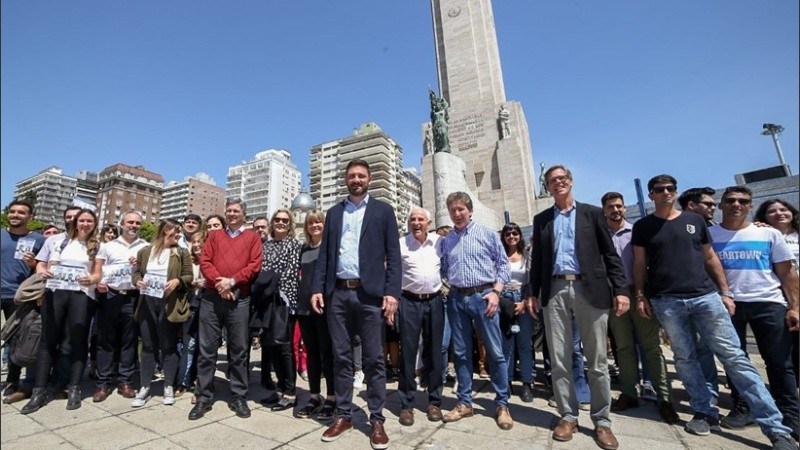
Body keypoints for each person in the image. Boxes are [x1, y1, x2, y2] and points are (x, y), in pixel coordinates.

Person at [632, 174, 796, 449]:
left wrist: (725, 291)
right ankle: (704, 411)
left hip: (705, 297)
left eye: (670, 188)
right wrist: (640, 294)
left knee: (734, 357)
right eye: (659, 189)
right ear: (651, 195)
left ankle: (775, 426)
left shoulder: (694, 221)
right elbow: (639, 263)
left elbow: (710, 257)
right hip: (666, 300)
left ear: (676, 191)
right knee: (684, 358)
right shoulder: (644, 226)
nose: (665, 193)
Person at [526, 165, 629, 450]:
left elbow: (610, 254)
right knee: (559, 358)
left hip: (589, 288)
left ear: (570, 182)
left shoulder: (593, 213)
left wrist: (621, 290)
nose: (557, 183)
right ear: (547, 187)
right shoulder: (542, 219)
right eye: (552, 181)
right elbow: (538, 261)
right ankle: (568, 416)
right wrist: (532, 292)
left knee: (596, 359)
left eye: (562, 179)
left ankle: (602, 421)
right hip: (555, 289)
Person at [311, 159, 401, 449]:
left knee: (374, 359)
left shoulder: (383, 211)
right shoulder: (334, 213)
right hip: (338, 294)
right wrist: (317, 289)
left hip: (370, 295)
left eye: (361, 175)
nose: (357, 179)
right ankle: (345, 414)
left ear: (369, 178)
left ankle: (376, 419)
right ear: (345, 180)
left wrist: (392, 293)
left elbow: (394, 257)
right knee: (341, 357)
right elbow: (325, 255)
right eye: (352, 176)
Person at [710, 187, 799, 436]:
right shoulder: (709, 234)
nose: (736, 205)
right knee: (735, 362)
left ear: (750, 206)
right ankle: (744, 407)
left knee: (780, 363)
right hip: (728, 304)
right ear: (721, 205)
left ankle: (790, 415)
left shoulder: (768, 233)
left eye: (743, 201)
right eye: (730, 201)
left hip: (768, 303)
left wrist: (795, 308)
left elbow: (786, 273)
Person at [440, 191, 513, 430]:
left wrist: (496, 292)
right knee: (461, 353)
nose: (457, 214)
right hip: (457, 298)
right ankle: (465, 402)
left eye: (461, 209)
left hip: (483, 297)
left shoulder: (487, 233)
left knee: (495, 351)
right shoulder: (448, 240)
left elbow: (503, 264)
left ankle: (502, 404)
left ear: (470, 210)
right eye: (453, 211)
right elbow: (443, 269)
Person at [601, 192, 677, 423]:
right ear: (604, 210)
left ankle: (664, 398)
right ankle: (629, 393)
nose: (616, 210)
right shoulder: (600, 235)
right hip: (614, 296)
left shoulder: (638, 231)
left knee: (651, 346)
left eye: (619, 206)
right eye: (611, 207)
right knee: (623, 347)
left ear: (625, 209)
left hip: (638, 293)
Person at [22, 209, 101, 414]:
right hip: (55, 292)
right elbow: (40, 263)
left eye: (89, 221)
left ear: (94, 224)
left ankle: (74, 386)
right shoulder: (56, 241)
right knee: (48, 340)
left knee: (77, 340)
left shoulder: (97, 245)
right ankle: (39, 390)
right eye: (81, 220)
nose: (85, 224)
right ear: (75, 222)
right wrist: (41, 271)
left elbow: (98, 273)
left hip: (82, 295)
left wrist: (92, 279)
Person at [190, 198, 262, 420]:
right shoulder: (214, 236)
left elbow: (254, 266)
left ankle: (239, 395)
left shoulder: (252, 238)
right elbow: (205, 262)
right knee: (207, 350)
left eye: (236, 211)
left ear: (244, 214)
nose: (231, 214)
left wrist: (230, 282)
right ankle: (203, 396)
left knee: (239, 350)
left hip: (239, 299)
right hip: (212, 299)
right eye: (228, 211)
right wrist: (220, 284)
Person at [131, 219, 193, 408]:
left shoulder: (181, 252)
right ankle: (145, 385)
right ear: (165, 231)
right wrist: (137, 281)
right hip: (148, 303)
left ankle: (168, 385)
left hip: (169, 304)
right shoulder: (145, 251)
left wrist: (177, 282)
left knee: (169, 346)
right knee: (148, 347)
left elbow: (189, 275)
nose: (179, 236)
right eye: (175, 232)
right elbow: (136, 272)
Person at [92, 211, 149, 403]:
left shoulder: (146, 247)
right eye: (130, 222)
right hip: (110, 296)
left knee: (129, 340)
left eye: (137, 223)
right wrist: (98, 281)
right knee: (105, 340)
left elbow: (151, 272)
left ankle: (125, 380)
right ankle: (103, 383)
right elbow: (98, 270)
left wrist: (140, 265)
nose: (133, 225)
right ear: (121, 224)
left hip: (133, 297)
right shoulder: (107, 246)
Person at [397, 207, 445, 426]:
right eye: (412, 219)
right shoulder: (400, 244)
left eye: (420, 220)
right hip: (409, 301)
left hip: (435, 301)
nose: (416, 223)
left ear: (429, 222)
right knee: (407, 353)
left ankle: (434, 402)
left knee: (435, 352)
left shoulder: (439, 242)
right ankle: (406, 405)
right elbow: (390, 270)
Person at [1, 200, 46, 404]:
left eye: (21, 212)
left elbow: (42, 268)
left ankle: (12, 380)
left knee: (16, 340)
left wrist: (33, 263)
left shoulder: (39, 240)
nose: (15, 215)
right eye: (12, 212)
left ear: (31, 217)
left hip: (18, 296)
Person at [259, 209, 302, 411]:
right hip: (266, 302)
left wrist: (268, 282)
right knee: (271, 347)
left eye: (285, 220)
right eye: (277, 219)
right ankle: (279, 391)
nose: (281, 223)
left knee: (285, 348)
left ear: (290, 223)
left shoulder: (294, 244)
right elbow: (261, 270)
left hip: (284, 302)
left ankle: (290, 393)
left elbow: (289, 272)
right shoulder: (265, 245)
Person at [296, 210, 336, 421]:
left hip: (324, 307)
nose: (315, 226)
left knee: (327, 353)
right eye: (311, 223)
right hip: (304, 307)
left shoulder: (329, 248)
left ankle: (331, 397)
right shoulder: (303, 249)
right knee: (311, 353)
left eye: (318, 222)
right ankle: (314, 396)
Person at [755, 199, 800, 385]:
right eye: (772, 211)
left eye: (783, 209)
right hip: (781, 293)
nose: (779, 213)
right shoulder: (761, 235)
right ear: (764, 216)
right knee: (789, 342)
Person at [499, 222, 535, 403]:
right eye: (508, 234)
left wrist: (524, 301)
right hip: (504, 300)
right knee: (507, 345)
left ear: (519, 235)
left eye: (514, 233)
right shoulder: (499, 256)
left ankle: (527, 382)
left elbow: (531, 280)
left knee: (524, 344)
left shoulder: (527, 255)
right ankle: (507, 382)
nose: (511, 237)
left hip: (524, 298)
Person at [176, 232, 205, 398]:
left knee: (205, 349)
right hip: (190, 308)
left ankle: (201, 384)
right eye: (194, 242)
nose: (196, 245)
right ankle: (183, 381)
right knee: (189, 346)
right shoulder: (188, 262)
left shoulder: (210, 262)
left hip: (207, 309)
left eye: (200, 241)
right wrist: (190, 283)